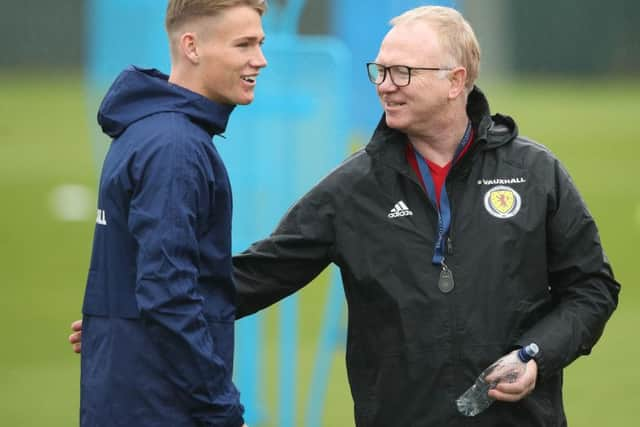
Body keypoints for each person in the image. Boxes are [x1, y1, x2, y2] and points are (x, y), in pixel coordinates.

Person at [71, 5, 620, 426]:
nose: (384, 83)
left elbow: (592, 287)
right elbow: (257, 275)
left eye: (402, 72)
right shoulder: (354, 188)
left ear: (456, 81)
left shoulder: (534, 172)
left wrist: (536, 356)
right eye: (379, 70)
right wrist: (128, 315)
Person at [75, 0, 267, 426]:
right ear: (192, 46)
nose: (260, 59)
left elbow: (139, 277)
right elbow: (167, 295)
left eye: (260, 43)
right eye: (244, 44)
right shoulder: (176, 148)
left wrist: (114, 327)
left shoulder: (147, 129)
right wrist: (221, 407)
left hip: (132, 392)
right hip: (160, 406)